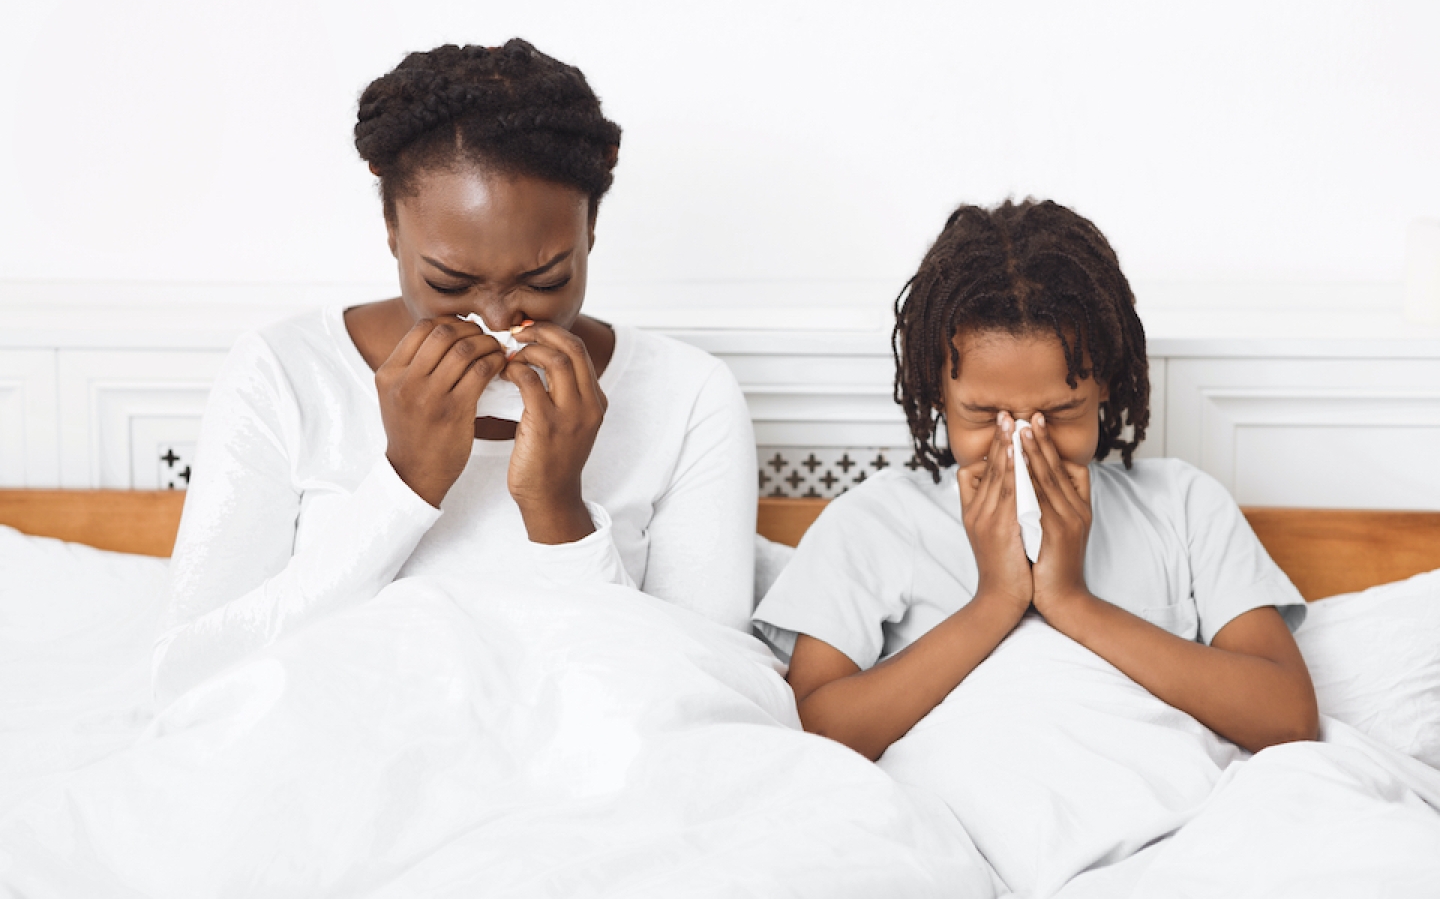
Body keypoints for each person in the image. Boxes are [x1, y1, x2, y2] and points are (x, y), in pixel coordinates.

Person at [154, 40, 756, 704]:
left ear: (591, 227)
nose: (496, 318)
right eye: (449, 282)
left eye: (546, 279)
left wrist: (558, 509)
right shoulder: (285, 371)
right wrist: (406, 483)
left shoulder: (689, 393)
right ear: (391, 229)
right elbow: (188, 677)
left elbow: (712, 693)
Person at [753, 198, 1319, 761]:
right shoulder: (874, 523)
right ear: (937, 395)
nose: (1026, 441)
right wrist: (995, 601)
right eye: (984, 416)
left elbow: (1289, 719)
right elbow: (818, 734)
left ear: (1105, 388)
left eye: (1062, 413)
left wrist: (1071, 601)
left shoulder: (1184, 506)